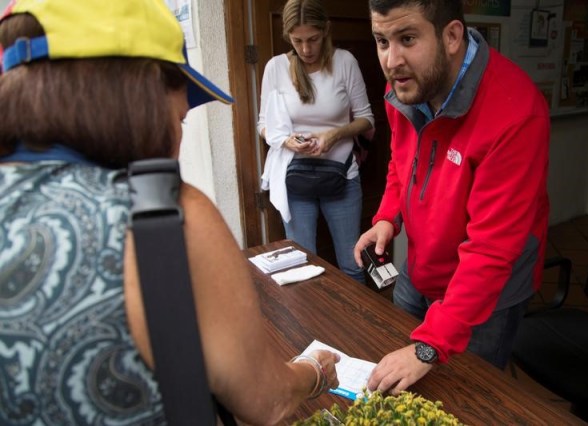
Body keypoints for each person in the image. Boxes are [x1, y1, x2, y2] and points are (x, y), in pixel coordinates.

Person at [0, 0, 339, 424]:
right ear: (133, 94)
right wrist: (313, 374)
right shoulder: (164, 216)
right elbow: (266, 402)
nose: (176, 144)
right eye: (178, 120)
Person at [354, 0, 550, 395]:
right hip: (421, 266)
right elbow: (400, 162)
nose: (391, 60)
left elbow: (491, 252)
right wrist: (387, 218)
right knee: (395, 384)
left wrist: (429, 348)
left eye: (407, 38)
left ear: (452, 36)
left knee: (461, 402)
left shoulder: (517, 112)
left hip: (487, 292)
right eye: (381, 41)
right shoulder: (404, 86)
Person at [257, 0, 375, 284]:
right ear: (289, 37)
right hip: (295, 179)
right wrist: (287, 141)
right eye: (298, 41)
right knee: (300, 264)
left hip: (342, 176)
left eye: (313, 39)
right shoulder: (275, 68)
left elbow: (366, 119)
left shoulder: (344, 62)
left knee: (352, 264)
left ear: (326, 31)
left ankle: (353, 327)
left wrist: (334, 135)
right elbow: (263, 125)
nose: (306, 49)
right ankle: (307, 329)